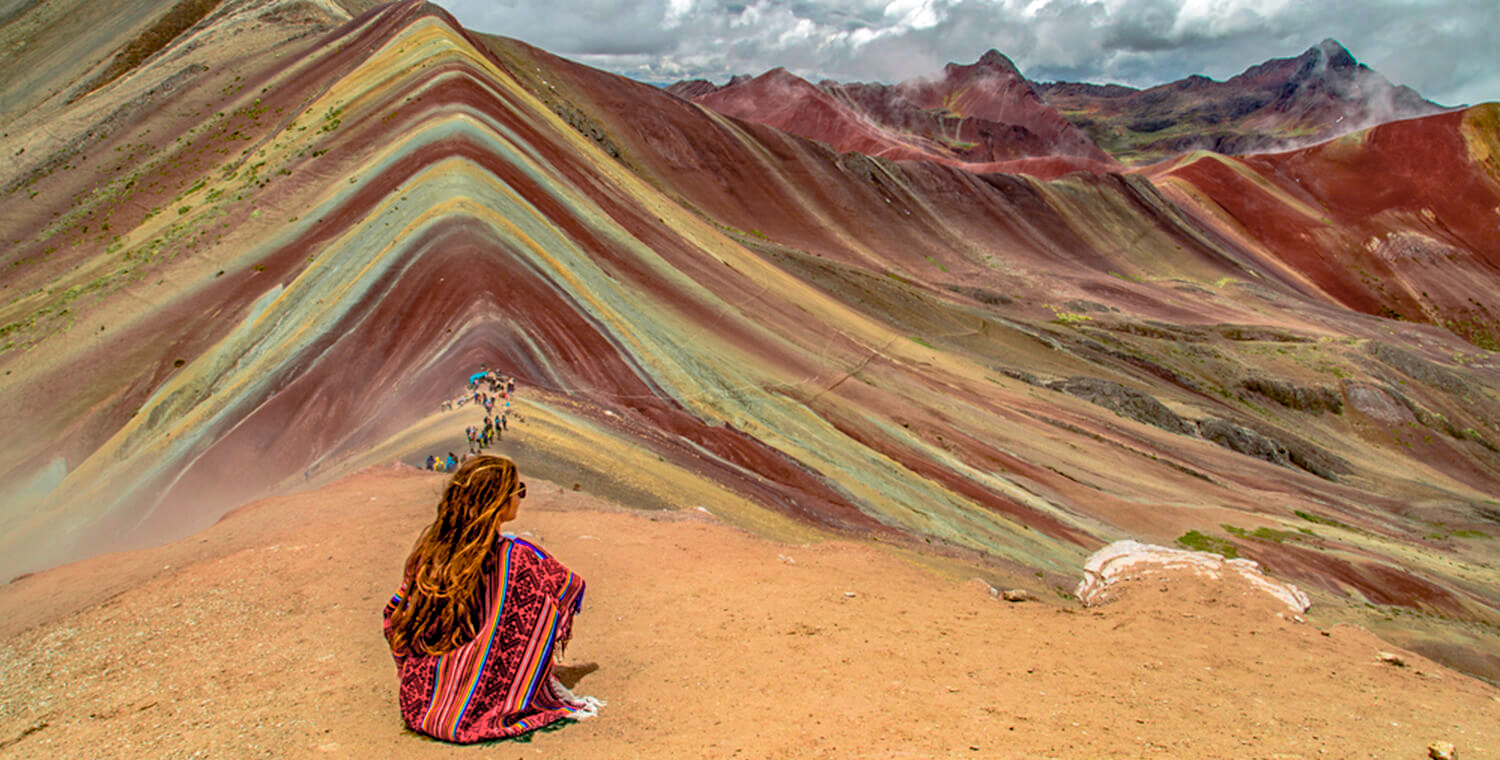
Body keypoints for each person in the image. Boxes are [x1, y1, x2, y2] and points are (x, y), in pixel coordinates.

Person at [382, 455, 600, 742]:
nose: (520, 498)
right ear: (498, 502)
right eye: (517, 491)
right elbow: (570, 586)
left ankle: (453, 680)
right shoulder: (517, 558)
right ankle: (500, 681)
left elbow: (395, 615)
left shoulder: (429, 554)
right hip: (479, 710)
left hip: (422, 703)